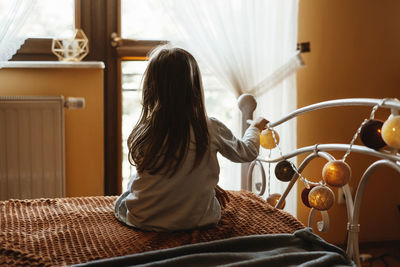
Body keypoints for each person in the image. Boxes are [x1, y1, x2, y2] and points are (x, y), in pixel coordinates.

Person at [114, 45, 268, 232]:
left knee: (125, 196)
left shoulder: (145, 131)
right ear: (194, 87)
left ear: (151, 88)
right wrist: (255, 127)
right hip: (199, 221)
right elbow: (247, 152)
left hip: (144, 220)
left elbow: (153, 178)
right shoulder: (209, 128)